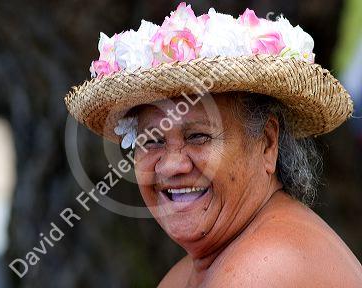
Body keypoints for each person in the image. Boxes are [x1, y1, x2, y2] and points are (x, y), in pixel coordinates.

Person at [65, 3, 362, 287]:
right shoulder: (214, 261)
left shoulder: (262, 268)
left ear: (267, 143)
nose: (172, 165)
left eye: (198, 137)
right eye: (152, 141)